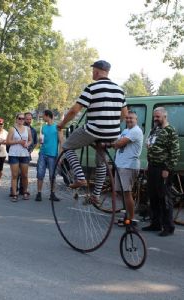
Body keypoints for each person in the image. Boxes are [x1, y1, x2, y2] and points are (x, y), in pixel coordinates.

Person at [57, 60, 128, 202]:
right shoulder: (119, 90)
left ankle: (81, 178)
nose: (92, 73)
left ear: (97, 71)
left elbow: (74, 110)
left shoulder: (92, 88)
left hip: (94, 130)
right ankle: (95, 195)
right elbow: (124, 115)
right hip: (113, 134)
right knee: (101, 161)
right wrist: (111, 123)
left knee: (67, 146)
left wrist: (62, 124)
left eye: (93, 70)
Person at [142, 107, 179, 236]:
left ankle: (168, 227)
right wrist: (148, 164)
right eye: (154, 116)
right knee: (153, 197)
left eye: (158, 117)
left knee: (164, 198)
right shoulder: (155, 129)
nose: (155, 119)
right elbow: (150, 147)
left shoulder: (170, 131)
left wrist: (167, 169)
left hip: (163, 169)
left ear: (165, 116)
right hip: (152, 167)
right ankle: (155, 223)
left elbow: (175, 153)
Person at [112, 111, 144, 224]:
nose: (129, 120)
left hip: (129, 166)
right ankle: (127, 216)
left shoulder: (136, 131)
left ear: (136, 120)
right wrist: (115, 143)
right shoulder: (126, 131)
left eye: (132, 118)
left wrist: (112, 143)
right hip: (121, 165)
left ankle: (131, 218)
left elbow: (118, 144)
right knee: (121, 191)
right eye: (127, 118)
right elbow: (117, 143)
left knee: (127, 192)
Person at [35, 110, 63, 202]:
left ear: (47, 116)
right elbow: (42, 141)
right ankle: (39, 193)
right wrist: (40, 141)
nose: (43, 117)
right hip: (43, 153)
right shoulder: (43, 127)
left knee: (52, 176)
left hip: (53, 155)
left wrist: (60, 156)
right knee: (40, 174)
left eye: (43, 116)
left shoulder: (58, 128)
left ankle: (52, 194)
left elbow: (61, 143)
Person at [6, 113, 33, 202]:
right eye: (20, 118)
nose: (21, 120)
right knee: (15, 175)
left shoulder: (27, 129)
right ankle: (14, 194)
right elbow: (8, 142)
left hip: (24, 154)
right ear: (16, 119)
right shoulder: (12, 129)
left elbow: (30, 140)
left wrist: (27, 144)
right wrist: (18, 142)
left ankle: (25, 192)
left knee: (25, 175)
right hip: (14, 154)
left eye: (23, 118)